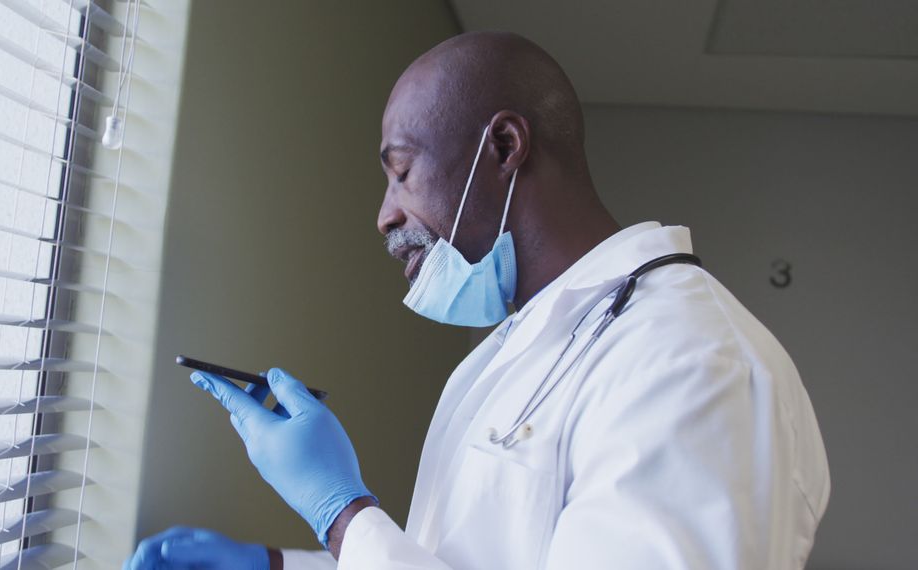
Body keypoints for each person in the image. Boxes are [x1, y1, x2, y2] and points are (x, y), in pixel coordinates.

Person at [124, 31, 830, 569]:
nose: (385, 215)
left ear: (503, 148)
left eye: (402, 173)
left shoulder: (690, 362)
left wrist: (343, 514)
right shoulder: (524, 342)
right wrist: (287, 565)